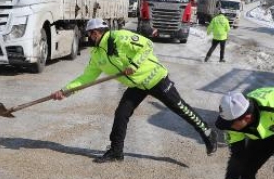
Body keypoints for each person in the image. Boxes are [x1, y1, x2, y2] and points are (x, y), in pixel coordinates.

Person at [51, 18, 219, 163]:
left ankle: (207, 132)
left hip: (156, 78)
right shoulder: (97, 55)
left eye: (89, 33)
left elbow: (147, 44)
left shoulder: (119, 37)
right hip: (137, 86)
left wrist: (134, 65)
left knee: (179, 108)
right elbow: (86, 78)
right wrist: (65, 91)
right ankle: (116, 152)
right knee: (121, 113)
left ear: (96, 32)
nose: (88, 37)